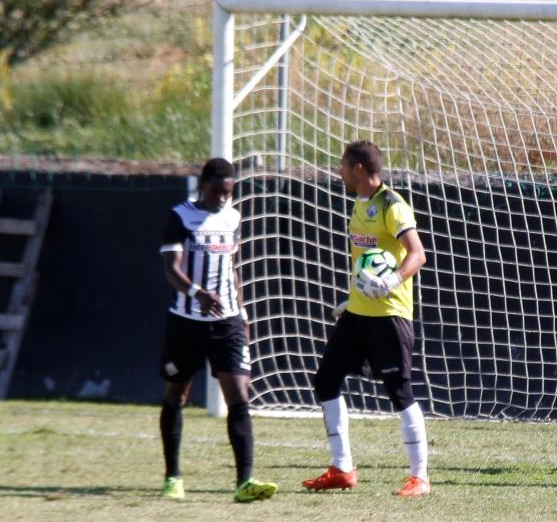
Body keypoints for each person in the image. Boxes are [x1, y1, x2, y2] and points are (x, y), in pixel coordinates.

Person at [302, 140, 431, 496]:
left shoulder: (392, 204)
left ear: (358, 168)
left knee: (399, 391)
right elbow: (367, 263)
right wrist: (353, 298)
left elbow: (417, 254)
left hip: (389, 314)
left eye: (343, 165)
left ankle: (420, 477)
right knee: (326, 379)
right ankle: (342, 468)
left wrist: (390, 281)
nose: (339, 172)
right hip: (358, 313)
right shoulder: (358, 205)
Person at [157, 157, 278, 502]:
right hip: (186, 322)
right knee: (176, 396)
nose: (222, 199)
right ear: (202, 185)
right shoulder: (180, 216)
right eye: (216, 191)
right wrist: (197, 293)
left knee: (239, 396)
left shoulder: (233, 217)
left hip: (227, 323)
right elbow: (170, 269)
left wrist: (242, 312)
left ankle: (244, 481)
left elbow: (233, 268)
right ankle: (172, 477)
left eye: (228, 192)